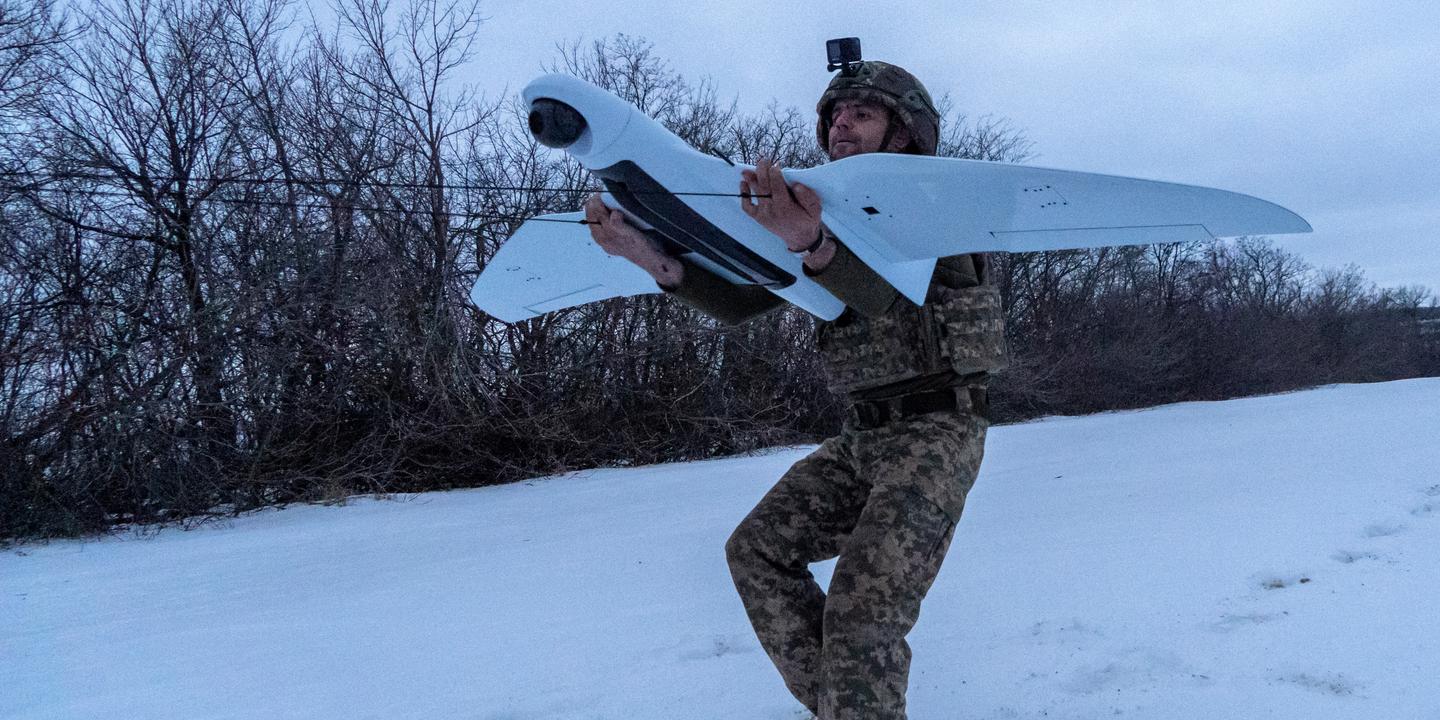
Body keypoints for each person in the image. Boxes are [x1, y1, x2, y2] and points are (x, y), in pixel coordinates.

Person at [583, 60, 1006, 720]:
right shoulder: (816, 213)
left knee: (863, 616)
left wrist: (810, 239)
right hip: (862, 436)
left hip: (936, 434)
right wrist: (649, 256)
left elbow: (885, 296)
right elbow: (746, 299)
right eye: (835, 116)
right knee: (757, 551)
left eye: (862, 114)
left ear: (904, 134)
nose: (841, 125)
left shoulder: (942, 210)